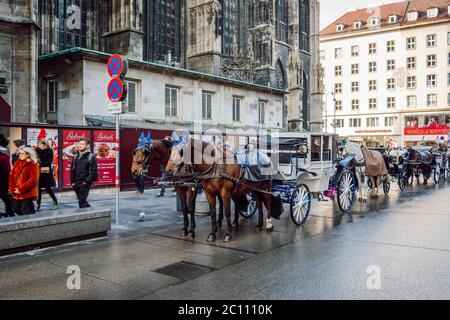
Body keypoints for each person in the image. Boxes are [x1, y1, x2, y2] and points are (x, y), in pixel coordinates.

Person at [9, 146, 40, 215]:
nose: (20, 155)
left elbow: (33, 180)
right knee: (16, 209)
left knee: (25, 210)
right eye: (19, 153)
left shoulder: (33, 164)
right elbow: (11, 176)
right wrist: (12, 188)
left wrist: (21, 189)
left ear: (28, 154)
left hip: (27, 192)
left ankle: (29, 223)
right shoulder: (17, 162)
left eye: (22, 153)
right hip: (16, 191)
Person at [70, 138, 98, 208]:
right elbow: (72, 169)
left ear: (87, 146)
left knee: (81, 201)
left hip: (85, 183)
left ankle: (86, 214)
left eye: (82, 144)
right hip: (76, 182)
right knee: (82, 200)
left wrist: (86, 182)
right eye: (79, 144)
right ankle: (92, 211)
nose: (80, 145)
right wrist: (72, 182)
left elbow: (93, 171)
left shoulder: (91, 156)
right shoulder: (76, 156)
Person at [36, 139, 59, 211]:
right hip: (38, 171)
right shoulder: (37, 150)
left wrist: (40, 164)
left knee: (47, 188)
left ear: (44, 144)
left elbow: (49, 161)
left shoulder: (49, 150)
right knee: (38, 188)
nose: (38, 145)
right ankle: (38, 204)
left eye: (39, 144)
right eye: (38, 144)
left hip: (46, 171)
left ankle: (55, 201)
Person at [0, 134, 13, 217]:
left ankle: (9, 211)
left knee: (5, 197)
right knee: (5, 197)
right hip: (2, 181)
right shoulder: (4, 156)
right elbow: (7, 170)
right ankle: (10, 212)